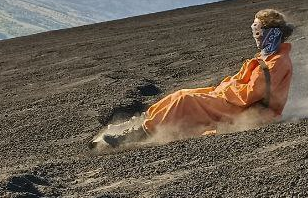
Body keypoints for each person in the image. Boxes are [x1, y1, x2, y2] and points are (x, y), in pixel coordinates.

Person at [96, 9, 295, 148]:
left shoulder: (277, 62)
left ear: (272, 34)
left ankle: (140, 133)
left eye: (259, 31)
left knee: (185, 100)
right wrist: (224, 87)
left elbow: (251, 94)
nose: (256, 35)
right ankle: (143, 120)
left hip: (243, 108)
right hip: (233, 99)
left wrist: (225, 89)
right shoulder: (268, 57)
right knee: (181, 93)